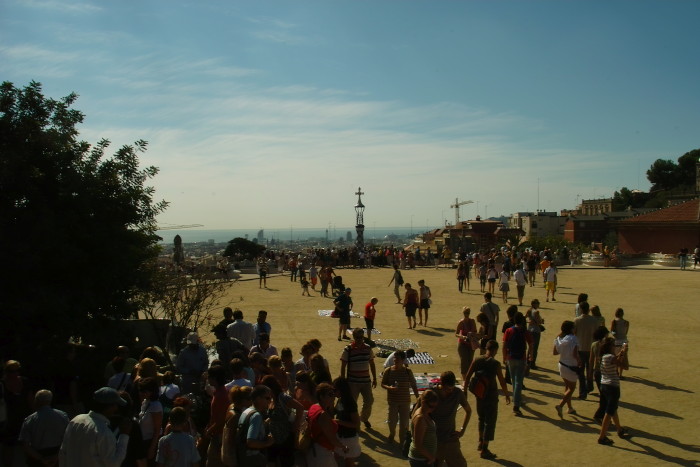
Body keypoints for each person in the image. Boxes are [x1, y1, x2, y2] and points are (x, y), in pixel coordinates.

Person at [59, 387, 132, 466]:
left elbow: (63, 453)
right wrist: (124, 435)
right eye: (115, 405)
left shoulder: (76, 420)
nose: (116, 408)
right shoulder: (103, 432)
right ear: (109, 407)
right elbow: (114, 463)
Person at [465, 340, 510, 460]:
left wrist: (465, 391)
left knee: (481, 418)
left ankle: (480, 441)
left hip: (479, 394)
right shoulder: (495, 364)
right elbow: (501, 380)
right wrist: (506, 394)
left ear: (486, 348)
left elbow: (468, 376)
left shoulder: (477, 360)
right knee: (490, 421)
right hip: (491, 395)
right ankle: (484, 449)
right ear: (495, 350)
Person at [260, 375, 304, 467]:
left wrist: (295, 425)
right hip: (273, 438)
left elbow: (300, 408)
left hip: (286, 437)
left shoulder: (282, 397)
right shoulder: (271, 399)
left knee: (286, 463)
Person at [18, 389, 69, 467]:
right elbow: (68, 439)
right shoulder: (62, 416)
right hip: (57, 454)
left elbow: (25, 444)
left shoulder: (29, 420)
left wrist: (41, 458)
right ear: (50, 400)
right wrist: (57, 456)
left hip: (37, 456)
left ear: (36, 401)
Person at [339, 328, 377, 430]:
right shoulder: (348, 349)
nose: (360, 339)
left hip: (366, 381)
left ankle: (363, 418)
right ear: (354, 337)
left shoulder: (368, 348)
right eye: (357, 337)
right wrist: (343, 380)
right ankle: (355, 423)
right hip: (353, 382)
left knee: (369, 401)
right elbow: (343, 365)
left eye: (361, 337)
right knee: (352, 404)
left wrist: (375, 378)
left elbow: (372, 364)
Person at [433, 371, 471, 467]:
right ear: (440, 383)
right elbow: (418, 414)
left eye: (452, 388)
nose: (450, 391)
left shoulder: (457, 393)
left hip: (450, 438)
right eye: (447, 389)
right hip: (434, 439)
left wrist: (462, 430)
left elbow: (468, 410)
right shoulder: (432, 394)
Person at [306, 383, 349, 467]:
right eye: (330, 394)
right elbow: (332, 439)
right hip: (322, 452)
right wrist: (344, 447)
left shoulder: (314, 406)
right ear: (321, 397)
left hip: (313, 449)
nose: (333, 397)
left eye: (333, 394)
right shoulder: (323, 415)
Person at [380, 350, 419, 443]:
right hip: (393, 401)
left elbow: (413, 385)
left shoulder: (408, 371)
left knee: (404, 423)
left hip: (405, 401)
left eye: (397, 358)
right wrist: (389, 387)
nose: (395, 360)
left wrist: (418, 397)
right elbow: (383, 384)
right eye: (394, 358)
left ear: (403, 360)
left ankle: (402, 441)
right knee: (392, 421)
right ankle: (392, 433)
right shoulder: (388, 371)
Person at [597, 337, 630, 445]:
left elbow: (614, 360)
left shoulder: (603, 356)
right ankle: (602, 437)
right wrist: (624, 353)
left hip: (604, 385)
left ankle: (619, 429)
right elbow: (625, 366)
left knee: (613, 408)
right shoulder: (610, 357)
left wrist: (620, 353)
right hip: (612, 386)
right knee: (609, 411)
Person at [1, 359, 33, 466]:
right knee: (8, 448)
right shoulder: (2, 385)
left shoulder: (24, 381)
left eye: (17, 371)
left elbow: (30, 400)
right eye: (11, 371)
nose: (15, 374)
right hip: (8, 421)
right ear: (6, 372)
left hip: (24, 418)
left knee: (25, 446)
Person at [502, 312, 532, 416]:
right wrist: (530, 356)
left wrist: (504, 356)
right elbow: (531, 344)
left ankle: (517, 399)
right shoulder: (524, 331)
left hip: (511, 357)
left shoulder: (509, 330)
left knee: (514, 381)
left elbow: (504, 344)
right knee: (519, 381)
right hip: (521, 358)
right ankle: (516, 404)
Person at [238, 385, 274, 467]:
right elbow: (251, 442)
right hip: (253, 458)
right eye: (267, 398)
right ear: (258, 398)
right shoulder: (256, 416)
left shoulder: (247, 411)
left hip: (243, 457)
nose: (270, 401)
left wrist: (264, 424)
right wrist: (267, 443)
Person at [553, 320, 581, 418]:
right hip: (571, 366)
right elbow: (575, 354)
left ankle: (569, 407)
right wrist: (579, 361)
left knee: (567, 386)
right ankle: (560, 405)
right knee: (572, 388)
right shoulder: (574, 339)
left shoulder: (560, 339)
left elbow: (555, 352)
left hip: (562, 365)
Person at [333, 377, 362, 467]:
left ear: (341, 389)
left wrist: (339, 422)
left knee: (349, 463)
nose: (334, 392)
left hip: (349, 438)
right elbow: (335, 411)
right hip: (340, 435)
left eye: (335, 390)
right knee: (334, 458)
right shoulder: (340, 400)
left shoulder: (350, 402)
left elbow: (356, 424)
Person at [203, 366, 228, 467]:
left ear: (215, 378)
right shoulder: (218, 392)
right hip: (216, 432)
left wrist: (209, 431)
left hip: (219, 434)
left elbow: (221, 419)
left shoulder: (221, 395)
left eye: (209, 377)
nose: (208, 379)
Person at [574, 302, 599, 399]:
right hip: (591, 348)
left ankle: (582, 392)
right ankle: (590, 386)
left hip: (580, 348)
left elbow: (574, 333)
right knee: (590, 369)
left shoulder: (577, 320)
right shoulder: (594, 320)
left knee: (580, 372)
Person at [408, 390, 438, 466]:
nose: (433, 409)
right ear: (423, 403)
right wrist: (431, 458)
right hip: (421, 460)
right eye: (431, 406)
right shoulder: (421, 419)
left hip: (423, 459)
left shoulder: (421, 411)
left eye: (435, 406)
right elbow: (418, 444)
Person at [137, 377, 164, 464]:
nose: (142, 393)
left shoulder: (155, 406)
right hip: (143, 440)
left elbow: (157, 429)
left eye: (144, 391)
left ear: (151, 392)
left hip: (150, 441)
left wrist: (152, 448)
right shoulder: (145, 402)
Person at [455, 306, 479, 385]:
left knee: (470, 361)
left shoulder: (472, 321)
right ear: (463, 313)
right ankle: (464, 379)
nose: (466, 314)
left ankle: (468, 378)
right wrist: (462, 336)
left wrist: (472, 334)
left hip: (471, 344)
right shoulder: (461, 322)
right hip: (462, 344)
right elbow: (456, 333)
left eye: (468, 313)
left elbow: (475, 331)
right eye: (465, 313)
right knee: (464, 361)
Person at [611, 308, 630, 379]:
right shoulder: (626, 322)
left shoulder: (614, 321)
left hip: (616, 341)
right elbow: (626, 332)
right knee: (623, 357)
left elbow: (612, 331)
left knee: (616, 357)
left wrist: (616, 336)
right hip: (624, 341)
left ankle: (616, 372)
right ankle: (620, 374)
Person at [525, 299, 544, 369]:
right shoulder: (536, 312)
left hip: (529, 330)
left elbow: (524, 317)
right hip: (536, 331)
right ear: (535, 304)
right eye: (538, 303)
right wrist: (542, 321)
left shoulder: (529, 310)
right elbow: (539, 322)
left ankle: (527, 361)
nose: (539, 304)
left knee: (530, 347)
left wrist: (529, 321)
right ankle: (532, 363)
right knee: (535, 348)